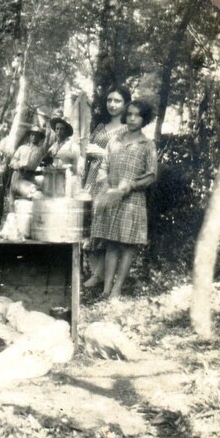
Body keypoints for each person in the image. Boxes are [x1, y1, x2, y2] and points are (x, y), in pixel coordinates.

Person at [89, 100, 158, 299]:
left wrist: (131, 185)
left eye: (137, 115)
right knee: (111, 243)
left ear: (144, 119)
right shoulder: (114, 141)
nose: (132, 118)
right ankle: (106, 289)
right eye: (129, 114)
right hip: (112, 197)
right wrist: (106, 185)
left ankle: (116, 289)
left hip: (132, 201)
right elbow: (104, 166)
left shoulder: (147, 145)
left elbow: (151, 175)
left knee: (127, 245)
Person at [83, 85, 132, 288]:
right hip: (92, 177)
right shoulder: (100, 126)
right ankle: (93, 269)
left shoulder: (127, 129)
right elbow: (87, 149)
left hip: (110, 179)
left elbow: (127, 157)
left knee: (104, 223)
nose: (112, 104)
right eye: (109, 100)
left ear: (126, 104)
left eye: (117, 101)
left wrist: (101, 153)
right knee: (88, 221)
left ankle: (100, 274)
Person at [9, 125, 46, 198]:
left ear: (39, 137)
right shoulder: (22, 148)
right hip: (18, 173)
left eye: (36, 135)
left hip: (30, 175)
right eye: (32, 134)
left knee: (32, 195)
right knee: (13, 195)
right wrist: (17, 164)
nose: (34, 136)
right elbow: (13, 161)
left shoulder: (40, 151)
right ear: (29, 136)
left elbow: (37, 163)